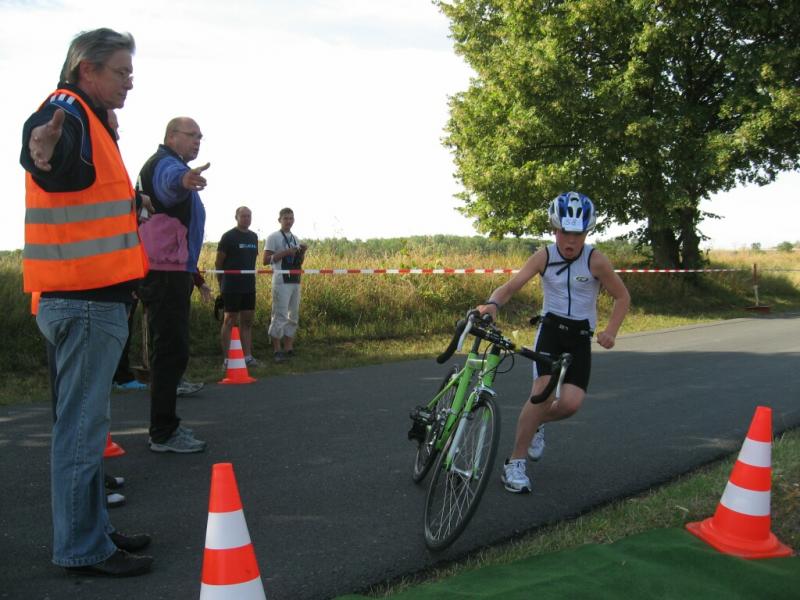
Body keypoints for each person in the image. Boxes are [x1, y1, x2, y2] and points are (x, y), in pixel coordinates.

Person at [20, 28, 153, 576]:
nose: (129, 81)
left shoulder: (93, 120)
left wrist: (133, 203)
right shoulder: (68, 110)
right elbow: (47, 147)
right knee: (81, 431)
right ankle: (82, 547)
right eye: (121, 71)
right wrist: (42, 153)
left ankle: (93, 529)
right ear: (86, 69)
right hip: (85, 303)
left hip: (80, 300)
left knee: (85, 428)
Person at [476, 192, 630, 494]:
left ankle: (536, 423)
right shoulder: (544, 256)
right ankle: (515, 464)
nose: (570, 241)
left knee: (570, 405)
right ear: (554, 229)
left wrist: (611, 331)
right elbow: (511, 286)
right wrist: (493, 304)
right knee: (541, 395)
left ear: (587, 232)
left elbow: (622, 296)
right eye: (564, 232)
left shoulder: (596, 260)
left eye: (578, 234)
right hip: (550, 331)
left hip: (580, 338)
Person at [137, 117, 212, 453]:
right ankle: (163, 432)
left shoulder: (166, 163)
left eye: (200, 137)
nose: (197, 141)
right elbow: (169, 184)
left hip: (169, 269)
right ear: (171, 136)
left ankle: (164, 427)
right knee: (170, 350)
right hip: (164, 271)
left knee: (168, 349)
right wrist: (184, 179)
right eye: (191, 135)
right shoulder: (165, 164)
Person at [107, 109, 149, 391]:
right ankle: (119, 376)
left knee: (120, 330)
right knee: (117, 330)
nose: (118, 134)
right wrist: (139, 200)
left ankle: (118, 375)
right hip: (112, 278)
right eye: (114, 127)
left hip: (123, 277)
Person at [216, 206, 259, 366]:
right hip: (231, 285)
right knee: (229, 320)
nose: (247, 219)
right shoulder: (228, 237)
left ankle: (247, 357)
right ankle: (227, 359)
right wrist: (221, 282)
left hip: (249, 285)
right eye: (243, 216)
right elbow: (218, 262)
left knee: (247, 321)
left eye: (249, 216)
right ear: (237, 217)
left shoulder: (254, 237)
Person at [263, 208, 307, 362]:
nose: (288, 221)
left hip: (295, 279)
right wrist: (286, 252)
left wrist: (302, 252)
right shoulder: (273, 237)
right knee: (279, 315)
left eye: (291, 218)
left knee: (293, 316)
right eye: (286, 218)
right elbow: (265, 260)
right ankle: (277, 350)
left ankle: (289, 348)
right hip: (281, 280)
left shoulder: (295, 238)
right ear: (279, 220)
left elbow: (298, 261)